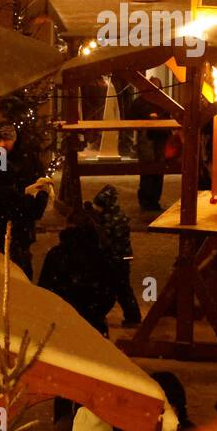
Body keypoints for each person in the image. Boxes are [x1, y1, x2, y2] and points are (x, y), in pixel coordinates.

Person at [0, 124, 50, 279]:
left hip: (21, 225)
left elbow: (41, 189)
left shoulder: (28, 161)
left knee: (20, 268)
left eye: (6, 140)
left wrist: (30, 210)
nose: (1, 145)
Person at [38, 208, 119, 337]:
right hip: (94, 324)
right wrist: (96, 312)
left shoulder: (57, 255)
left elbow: (45, 289)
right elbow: (110, 291)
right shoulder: (101, 255)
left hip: (62, 324)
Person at [91, 184, 141, 328]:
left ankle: (131, 316)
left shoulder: (109, 220)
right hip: (121, 258)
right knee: (122, 288)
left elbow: (106, 239)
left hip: (116, 259)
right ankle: (132, 316)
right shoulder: (116, 216)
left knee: (117, 289)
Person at [129, 76, 171, 211]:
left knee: (159, 169)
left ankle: (154, 200)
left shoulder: (164, 103)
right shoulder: (140, 103)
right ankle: (146, 200)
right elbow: (130, 117)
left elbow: (169, 116)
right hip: (146, 137)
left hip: (161, 137)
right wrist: (147, 119)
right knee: (148, 168)